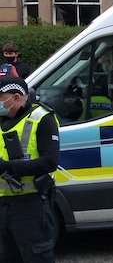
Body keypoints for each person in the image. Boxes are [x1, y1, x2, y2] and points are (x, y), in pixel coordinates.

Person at [0, 76, 59, 263]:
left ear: (16, 97)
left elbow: (49, 162)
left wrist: (7, 167)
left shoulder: (43, 118)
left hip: (30, 205)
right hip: (3, 204)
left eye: (0, 97)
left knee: (36, 256)